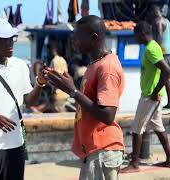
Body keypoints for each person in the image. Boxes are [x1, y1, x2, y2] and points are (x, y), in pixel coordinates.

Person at [44, 15, 125, 179]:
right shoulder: (95, 64)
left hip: (103, 149)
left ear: (93, 38)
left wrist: (73, 91)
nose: (74, 41)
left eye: (78, 37)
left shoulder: (107, 67)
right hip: (93, 151)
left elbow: (107, 115)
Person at [0, 18, 46, 180]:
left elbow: (29, 102)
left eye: (12, 38)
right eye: (4, 39)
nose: (10, 43)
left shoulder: (20, 66)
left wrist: (39, 83)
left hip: (16, 145)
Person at [121, 21, 170, 173]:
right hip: (152, 95)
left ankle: (135, 164)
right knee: (158, 127)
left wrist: (155, 91)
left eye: (136, 35)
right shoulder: (152, 47)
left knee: (137, 128)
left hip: (150, 96)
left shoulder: (151, 49)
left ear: (142, 34)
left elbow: (167, 70)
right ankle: (169, 160)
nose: (135, 39)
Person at [146, 5, 170, 109]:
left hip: (163, 53)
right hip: (169, 51)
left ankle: (169, 102)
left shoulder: (158, 22)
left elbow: (159, 35)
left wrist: (157, 50)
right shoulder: (167, 21)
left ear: (153, 12)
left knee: (166, 78)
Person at [48, 43, 69, 112]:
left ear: (53, 50)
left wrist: (53, 93)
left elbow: (57, 78)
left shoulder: (55, 61)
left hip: (58, 94)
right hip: (64, 93)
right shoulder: (63, 60)